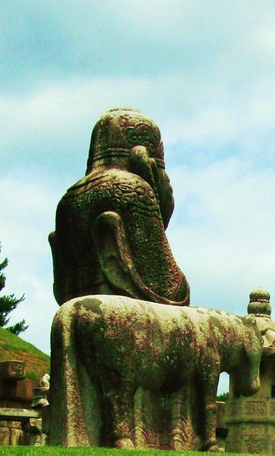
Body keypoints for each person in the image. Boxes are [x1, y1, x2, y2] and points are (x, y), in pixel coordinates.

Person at [49, 107, 190, 307]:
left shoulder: (67, 202)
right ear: (142, 156)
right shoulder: (132, 190)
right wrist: (156, 192)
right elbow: (171, 291)